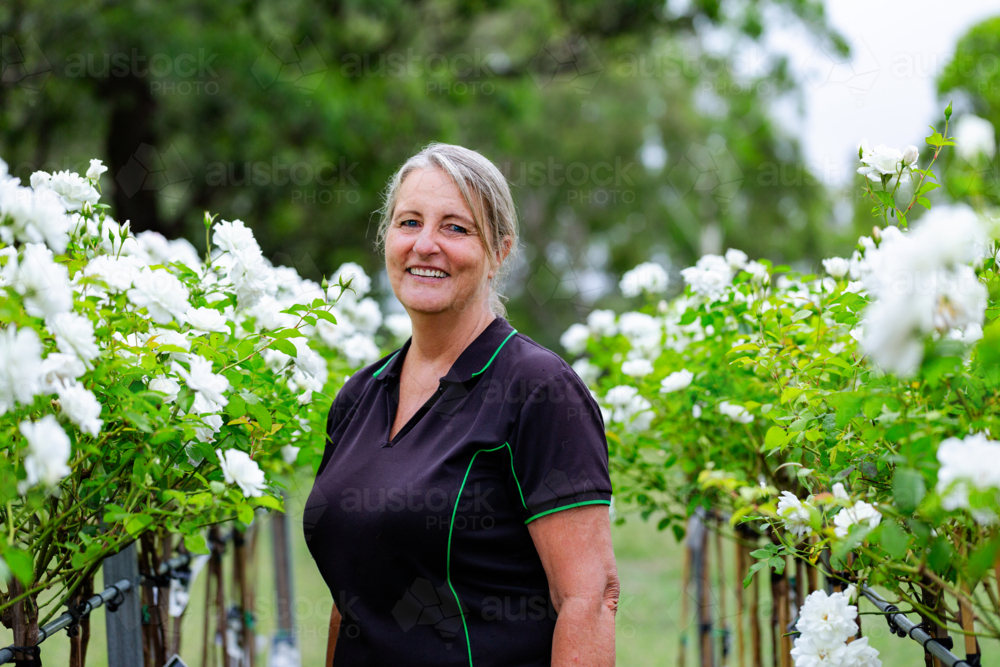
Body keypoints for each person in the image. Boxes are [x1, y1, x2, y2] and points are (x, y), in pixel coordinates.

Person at [303, 143, 618, 666]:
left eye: (456, 227)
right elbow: (352, 599)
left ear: (499, 252)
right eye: (409, 223)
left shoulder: (538, 391)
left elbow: (588, 598)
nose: (426, 244)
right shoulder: (360, 396)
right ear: (387, 239)